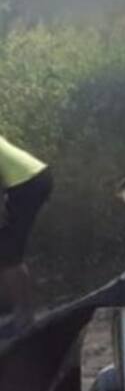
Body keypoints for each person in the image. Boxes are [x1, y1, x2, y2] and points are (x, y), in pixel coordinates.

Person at [0, 135, 52, 333]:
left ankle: (24, 318)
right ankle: (12, 308)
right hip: (30, 180)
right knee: (6, 251)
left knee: (7, 253)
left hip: (27, 184)